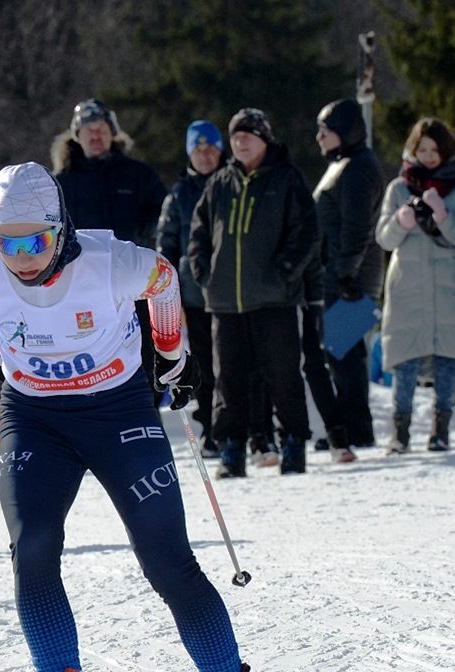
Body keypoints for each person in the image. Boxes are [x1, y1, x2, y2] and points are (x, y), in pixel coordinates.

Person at [0, 161, 281, 672]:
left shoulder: (110, 264)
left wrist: (173, 354)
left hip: (118, 410)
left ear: (60, 228)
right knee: (33, 550)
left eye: (34, 242)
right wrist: (0, 355)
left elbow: (164, 279)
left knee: (167, 561)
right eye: (6, 243)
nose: (20, 257)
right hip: (35, 418)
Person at [188, 108, 319, 477]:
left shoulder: (287, 179)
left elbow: (307, 231)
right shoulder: (219, 183)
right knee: (227, 380)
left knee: (283, 375)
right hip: (225, 301)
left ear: (265, 139)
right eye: (236, 134)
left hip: (275, 298)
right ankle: (231, 449)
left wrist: (285, 271)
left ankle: (293, 444)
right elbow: (198, 233)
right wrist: (204, 273)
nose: (241, 140)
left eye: (249, 134)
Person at [375, 117, 455, 453]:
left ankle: (441, 430)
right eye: (423, 149)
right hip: (408, 288)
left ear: (446, 150)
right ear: (414, 150)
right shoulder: (398, 188)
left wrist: (442, 216)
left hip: (450, 287)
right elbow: (384, 238)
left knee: (448, 360)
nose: (429, 155)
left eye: (435, 150)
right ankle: (400, 432)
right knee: (404, 360)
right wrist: (401, 221)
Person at [53, 98, 168, 404]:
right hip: (83, 289)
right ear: (76, 136)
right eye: (89, 130)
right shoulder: (63, 182)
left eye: (102, 129)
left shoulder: (138, 174)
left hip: (134, 283)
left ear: (113, 133)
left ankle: (147, 415)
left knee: (145, 357)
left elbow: (165, 213)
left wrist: (144, 235)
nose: (96, 136)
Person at [312, 98, 386, 450]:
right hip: (343, 274)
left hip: (352, 279)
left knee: (346, 354)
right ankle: (349, 426)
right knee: (340, 353)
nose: (319, 137)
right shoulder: (345, 164)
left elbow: (358, 229)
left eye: (326, 131)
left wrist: (344, 276)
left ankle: (356, 429)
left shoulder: (358, 168)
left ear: (346, 131)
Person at [157, 120, 225, 457]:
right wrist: (166, 289)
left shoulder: (232, 185)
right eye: (199, 149)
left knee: (234, 365)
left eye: (211, 149)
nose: (206, 156)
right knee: (202, 366)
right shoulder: (179, 194)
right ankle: (210, 430)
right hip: (193, 295)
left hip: (230, 293)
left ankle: (239, 428)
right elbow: (165, 244)